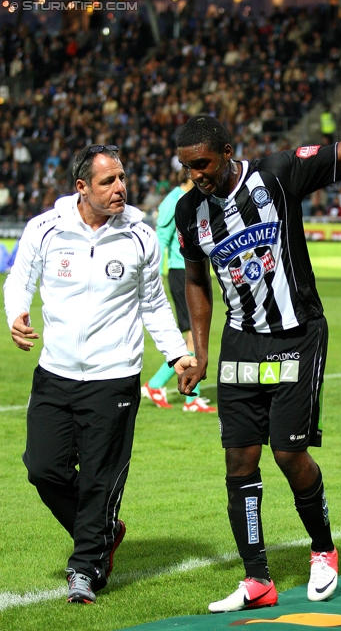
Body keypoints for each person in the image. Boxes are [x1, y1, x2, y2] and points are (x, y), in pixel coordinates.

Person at [175, 39, 341, 613]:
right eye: (186, 166)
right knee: (238, 460)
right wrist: (198, 350)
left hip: (299, 332)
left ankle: (322, 549)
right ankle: (257, 580)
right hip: (240, 342)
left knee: (286, 453)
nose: (195, 175)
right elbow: (196, 281)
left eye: (202, 163)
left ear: (227, 152)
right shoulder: (187, 211)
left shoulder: (276, 174)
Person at [3, 144, 195, 605]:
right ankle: (106, 529)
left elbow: (153, 304)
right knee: (42, 468)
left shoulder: (140, 236)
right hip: (56, 373)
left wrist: (178, 356)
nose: (120, 188)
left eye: (122, 178)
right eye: (108, 181)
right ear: (81, 187)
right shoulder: (44, 229)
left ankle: (85, 568)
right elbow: (19, 279)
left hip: (115, 376)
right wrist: (16, 313)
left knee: (99, 478)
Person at [141, 169, 216, 413]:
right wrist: (155, 274)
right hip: (179, 271)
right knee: (193, 337)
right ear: (187, 176)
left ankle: (158, 386)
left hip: (192, 270)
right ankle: (188, 398)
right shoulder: (173, 202)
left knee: (192, 337)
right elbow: (160, 238)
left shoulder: (197, 198)